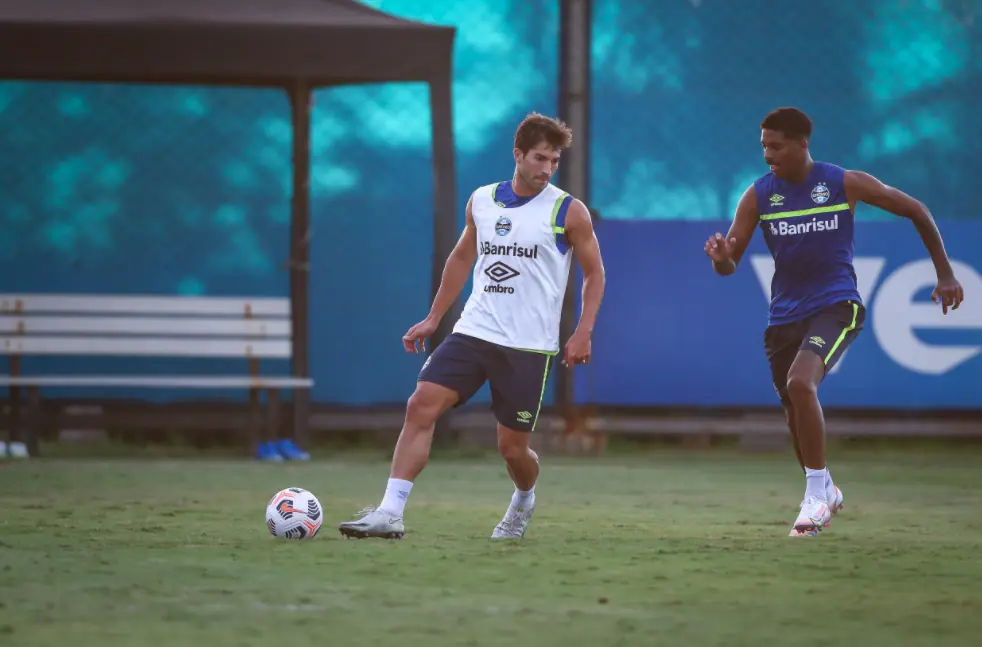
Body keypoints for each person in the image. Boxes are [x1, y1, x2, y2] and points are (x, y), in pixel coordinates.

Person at [338, 112, 606, 540]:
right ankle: (390, 512)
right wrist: (433, 317)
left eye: (554, 161)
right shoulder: (482, 200)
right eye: (539, 158)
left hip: (528, 345)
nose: (547, 168)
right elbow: (463, 257)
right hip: (474, 331)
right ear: (517, 154)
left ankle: (524, 499)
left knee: (512, 449)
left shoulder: (567, 211)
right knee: (420, 405)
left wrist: (583, 329)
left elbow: (594, 273)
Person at [704, 107, 964, 537]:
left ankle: (814, 499)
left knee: (800, 383)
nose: (768, 155)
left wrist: (945, 273)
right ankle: (825, 488)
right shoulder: (758, 196)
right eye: (764, 146)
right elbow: (729, 263)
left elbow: (916, 210)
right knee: (794, 414)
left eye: (776, 146)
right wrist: (721, 258)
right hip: (784, 316)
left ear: (802, 144)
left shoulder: (843, 183)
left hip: (837, 305)